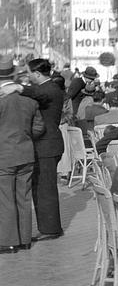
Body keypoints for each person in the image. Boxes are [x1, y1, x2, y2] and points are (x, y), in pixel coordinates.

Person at [0, 58, 44, 252]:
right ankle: (25, 239)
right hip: (26, 153)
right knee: (23, 198)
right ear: (13, 75)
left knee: (5, 199)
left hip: (4, 156)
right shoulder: (29, 100)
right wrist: (24, 136)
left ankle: (9, 241)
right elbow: (39, 128)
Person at [19, 58, 66, 240]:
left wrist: (18, 88)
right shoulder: (49, 88)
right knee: (42, 188)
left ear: (37, 74)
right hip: (47, 145)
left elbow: (40, 94)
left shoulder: (51, 89)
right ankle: (49, 227)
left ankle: (51, 229)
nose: (28, 76)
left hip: (47, 146)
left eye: (29, 73)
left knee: (45, 189)